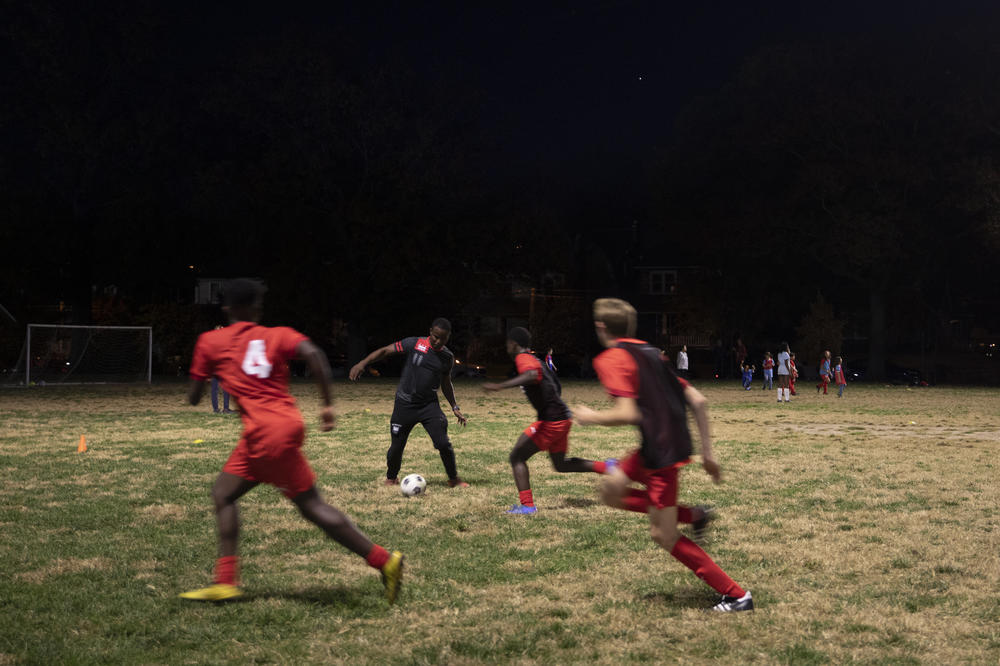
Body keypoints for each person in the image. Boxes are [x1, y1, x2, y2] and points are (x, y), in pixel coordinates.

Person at [181, 279, 403, 603]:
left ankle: (384, 561)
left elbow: (194, 397)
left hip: (263, 435)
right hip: (282, 427)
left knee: (305, 505)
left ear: (227, 307)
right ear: (257, 308)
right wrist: (327, 405)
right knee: (225, 493)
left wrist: (199, 384)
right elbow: (314, 354)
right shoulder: (276, 335)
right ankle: (384, 561)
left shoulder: (210, 341)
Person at [574, 298, 753, 612]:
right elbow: (698, 401)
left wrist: (591, 416)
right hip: (656, 447)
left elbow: (628, 412)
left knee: (664, 534)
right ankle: (695, 515)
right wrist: (708, 456)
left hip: (661, 454)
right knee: (610, 490)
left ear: (601, 327)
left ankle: (737, 595)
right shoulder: (652, 353)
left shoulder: (611, 359)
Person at [483, 327, 614, 514]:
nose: (506, 347)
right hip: (561, 418)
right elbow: (554, 384)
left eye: (507, 344)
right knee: (560, 465)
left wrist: (499, 386)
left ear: (513, 344)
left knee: (517, 457)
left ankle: (527, 506)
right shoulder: (535, 358)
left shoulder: (523, 358)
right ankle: (607, 467)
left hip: (552, 421)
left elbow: (531, 376)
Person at [349, 318, 470, 487]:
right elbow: (385, 351)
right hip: (404, 405)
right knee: (396, 447)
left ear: (448, 337)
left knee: (443, 443)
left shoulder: (446, 357)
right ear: (430, 332)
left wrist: (454, 407)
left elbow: (445, 382)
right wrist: (363, 363)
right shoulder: (414, 343)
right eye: (435, 336)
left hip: (429, 406)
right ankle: (391, 478)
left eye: (442, 338)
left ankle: (453, 479)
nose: (437, 341)